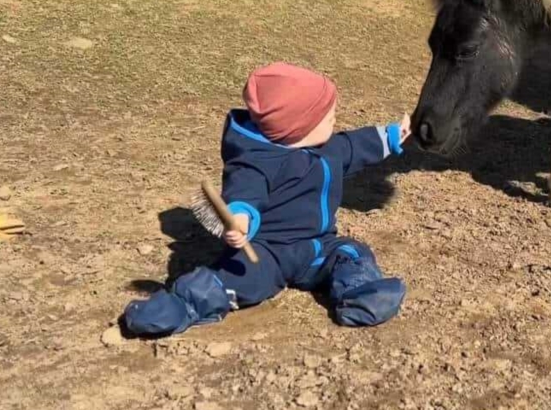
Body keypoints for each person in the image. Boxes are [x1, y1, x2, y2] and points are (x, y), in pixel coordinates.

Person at [123, 61, 410, 336]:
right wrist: (240, 219)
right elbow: (245, 190)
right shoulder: (258, 160)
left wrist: (392, 135)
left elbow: (354, 146)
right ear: (298, 126)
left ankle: (357, 294)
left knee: (353, 253)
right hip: (268, 252)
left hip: (318, 246)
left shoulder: (327, 147)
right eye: (327, 114)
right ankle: (178, 306)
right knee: (233, 276)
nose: (335, 118)